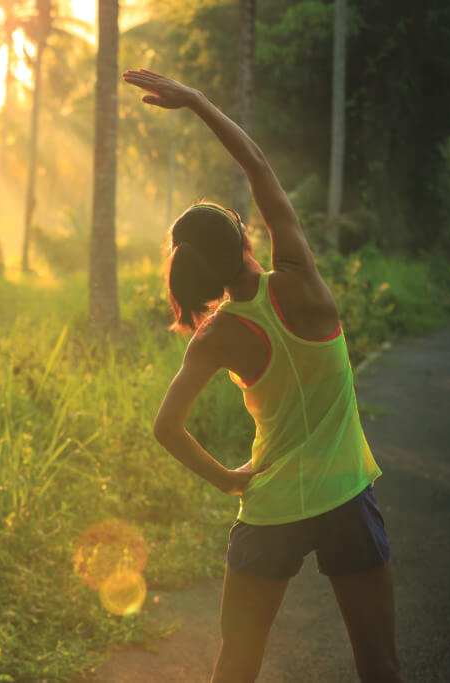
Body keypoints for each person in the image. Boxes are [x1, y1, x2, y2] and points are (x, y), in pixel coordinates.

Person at [122, 68, 403, 683]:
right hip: (346, 498)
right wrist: (197, 101)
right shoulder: (299, 277)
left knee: (237, 664)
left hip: (269, 507)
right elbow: (258, 167)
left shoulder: (215, 336)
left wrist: (228, 481)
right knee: (379, 665)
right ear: (247, 235)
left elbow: (166, 427)